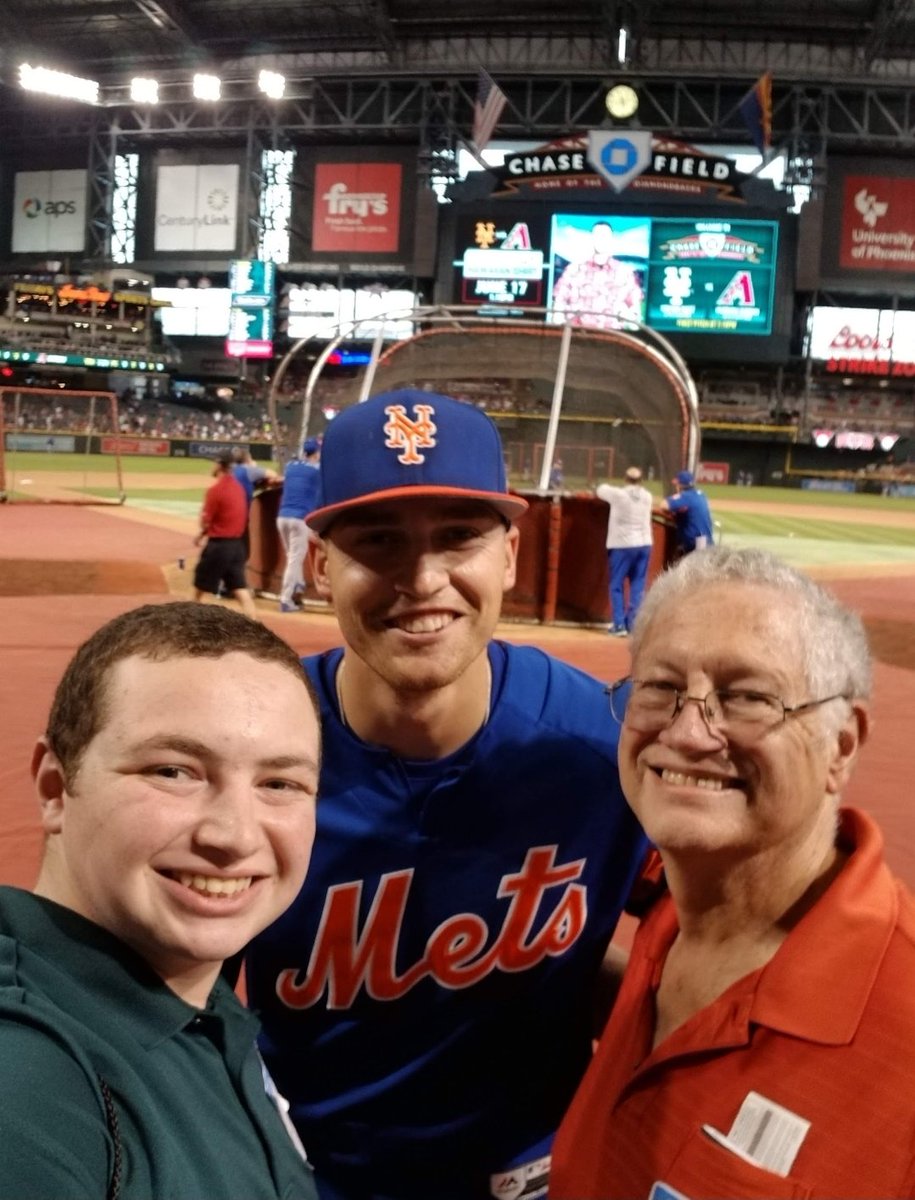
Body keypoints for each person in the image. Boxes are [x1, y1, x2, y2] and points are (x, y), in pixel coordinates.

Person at [244, 389, 650, 1200]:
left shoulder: (606, 746)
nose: (423, 579)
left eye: (458, 536)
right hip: (304, 1175)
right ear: (321, 566)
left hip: (535, 1178)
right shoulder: (250, 748)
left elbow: (731, 940)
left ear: (508, 553)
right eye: (378, 542)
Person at [551, 546, 915, 1199]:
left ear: (841, 744)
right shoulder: (676, 910)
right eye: (660, 687)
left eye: (747, 697)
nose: (689, 733)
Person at [0, 601, 322, 1200]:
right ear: (54, 787)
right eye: (174, 771)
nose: (235, 836)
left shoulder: (190, 997)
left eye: (280, 783)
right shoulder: (25, 1080)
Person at [193, 449, 258, 619]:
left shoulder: (216, 490)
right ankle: (256, 624)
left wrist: (202, 529)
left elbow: (205, 521)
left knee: (198, 590)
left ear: (220, 465)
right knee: (240, 590)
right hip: (237, 546)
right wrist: (202, 534)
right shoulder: (238, 488)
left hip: (219, 547)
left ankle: (185, 629)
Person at [550, 220, 644, 330]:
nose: (601, 240)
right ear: (592, 239)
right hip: (575, 337)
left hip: (615, 340)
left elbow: (635, 312)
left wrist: (629, 319)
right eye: (597, 236)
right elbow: (558, 304)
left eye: (604, 236)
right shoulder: (573, 270)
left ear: (610, 239)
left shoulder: (624, 272)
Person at [595, 465, 655, 637]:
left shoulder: (619, 494)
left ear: (625, 479)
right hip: (644, 544)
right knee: (637, 585)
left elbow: (600, 489)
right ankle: (633, 625)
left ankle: (619, 624)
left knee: (616, 585)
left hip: (622, 545)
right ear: (641, 480)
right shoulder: (647, 496)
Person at [277, 436, 322, 613]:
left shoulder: (290, 466)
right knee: (295, 560)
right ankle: (286, 599)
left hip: (282, 518)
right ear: (316, 453)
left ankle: (298, 586)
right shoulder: (317, 470)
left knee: (292, 558)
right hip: (299, 519)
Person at [663, 468, 714, 555]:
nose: (676, 487)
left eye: (677, 484)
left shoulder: (685, 496)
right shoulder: (701, 494)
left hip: (694, 543)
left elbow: (664, 505)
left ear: (681, 486)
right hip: (707, 540)